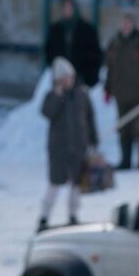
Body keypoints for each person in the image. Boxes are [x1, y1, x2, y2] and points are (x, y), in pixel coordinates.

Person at [38, 57, 97, 231]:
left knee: (76, 185)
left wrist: (93, 141)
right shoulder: (53, 95)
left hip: (78, 147)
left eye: (69, 77)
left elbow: (90, 119)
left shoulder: (82, 95)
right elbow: (47, 112)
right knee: (54, 183)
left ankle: (73, 215)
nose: (67, 81)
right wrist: (57, 96)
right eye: (63, 78)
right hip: (59, 149)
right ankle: (44, 217)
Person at [102, 15, 139, 169]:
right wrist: (108, 89)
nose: (125, 26)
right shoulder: (114, 43)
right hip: (120, 93)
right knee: (124, 128)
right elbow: (110, 68)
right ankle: (126, 160)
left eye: (128, 23)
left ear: (133, 25)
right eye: (123, 23)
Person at [42, 0, 103, 89]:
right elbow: (49, 50)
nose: (67, 11)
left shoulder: (87, 30)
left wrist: (88, 76)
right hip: (61, 75)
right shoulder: (56, 29)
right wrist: (57, 66)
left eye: (69, 8)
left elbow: (94, 54)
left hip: (80, 75)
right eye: (65, 8)